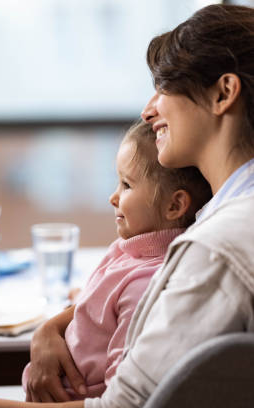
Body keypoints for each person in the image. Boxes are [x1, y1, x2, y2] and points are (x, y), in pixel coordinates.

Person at [0, 4, 254, 408]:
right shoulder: (219, 220)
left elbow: (122, 406)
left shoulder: (217, 247)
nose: (148, 109)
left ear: (224, 93)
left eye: (167, 87)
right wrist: (53, 325)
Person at [21, 121, 211, 402]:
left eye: (126, 185)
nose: (113, 197)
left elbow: (116, 393)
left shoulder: (144, 284)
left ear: (174, 206)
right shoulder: (128, 252)